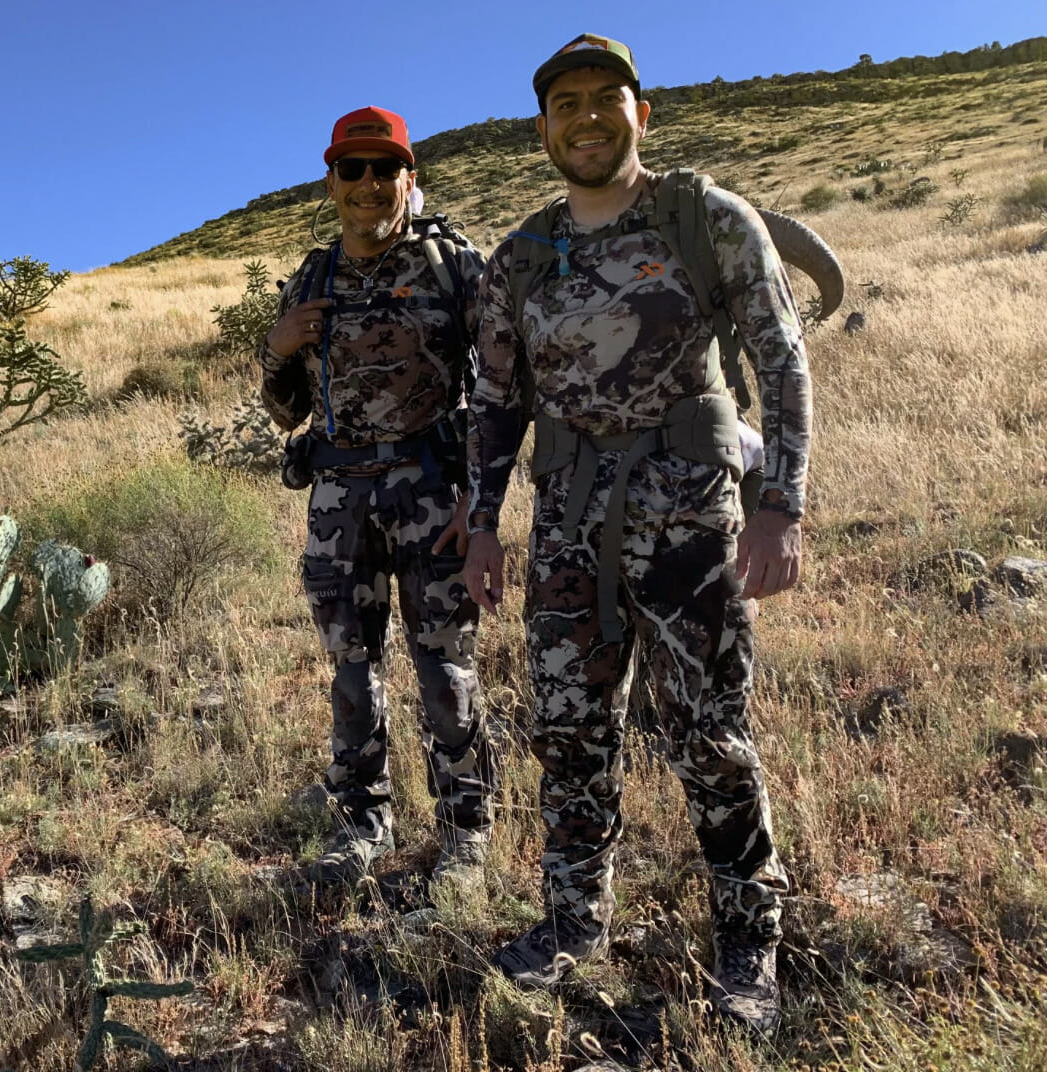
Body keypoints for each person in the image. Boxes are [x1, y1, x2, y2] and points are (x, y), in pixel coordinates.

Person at [463, 35, 809, 1033]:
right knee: (570, 734)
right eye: (563, 103)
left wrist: (780, 505)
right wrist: (483, 526)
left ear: (638, 113)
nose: (584, 117)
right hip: (566, 521)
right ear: (541, 129)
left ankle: (748, 941)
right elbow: (492, 405)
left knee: (708, 733)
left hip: (692, 514)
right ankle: (572, 922)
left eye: (604, 99)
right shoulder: (521, 259)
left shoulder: (704, 217)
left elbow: (780, 364)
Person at [258, 106, 499, 893]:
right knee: (350, 671)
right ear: (331, 180)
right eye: (352, 169)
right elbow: (286, 408)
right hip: (337, 504)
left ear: (409, 177)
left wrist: (483, 499)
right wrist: (277, 349)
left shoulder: (451, 262)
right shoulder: (314, 275)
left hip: (433, 495)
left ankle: (465, 832)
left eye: (384, 168)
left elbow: (502, 384)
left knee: (445, 669)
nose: (368, 184)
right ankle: (361, 820)